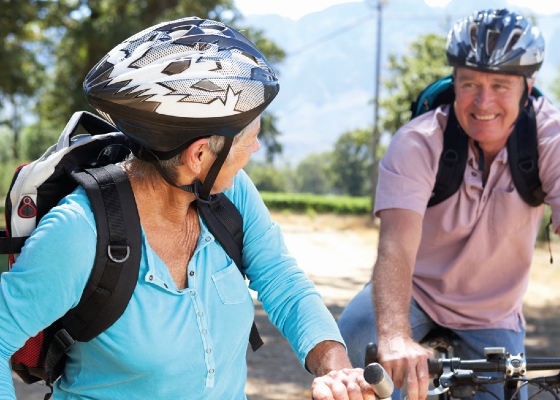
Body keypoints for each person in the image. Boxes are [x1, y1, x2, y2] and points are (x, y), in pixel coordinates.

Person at [0, 17, 376, 400]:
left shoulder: (232, 195)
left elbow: (283, 281)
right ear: (198, 156)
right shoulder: (81, 230)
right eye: (251, 138)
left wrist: (337, 369)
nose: (256, 150)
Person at [337, 8, 560, 400]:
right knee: (351, 350)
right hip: (415, 291)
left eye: (500, 85)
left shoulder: (554, 139)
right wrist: (393, 335)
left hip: (492, 311)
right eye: (470, 83)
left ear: (528, 88)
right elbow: (397, 241)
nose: (483, 101)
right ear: (454, 82)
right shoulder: (419, 141)